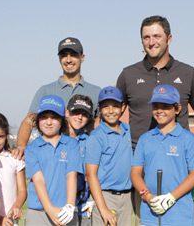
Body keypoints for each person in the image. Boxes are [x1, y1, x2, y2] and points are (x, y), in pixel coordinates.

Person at [116, 15, 194, 150]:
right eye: (146, 37)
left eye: (157, 36)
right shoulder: (128, 75)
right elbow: (112, 112)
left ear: (169, 39)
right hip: (139, 158)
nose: (151, 42)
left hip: (178, 155)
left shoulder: (187, 73)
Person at [15, 37, 101, 159]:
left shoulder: (96, 91)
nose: (69, 59)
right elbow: (29, 121)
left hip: (84, 158)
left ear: (82, 58)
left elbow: (102, 123)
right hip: (52, 158)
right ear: (59, 59)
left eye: (73, 55)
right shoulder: (46, 90)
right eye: (64, 55)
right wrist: (21, 147)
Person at [131, 84, 194, 226]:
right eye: (155, 106)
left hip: (180, 215)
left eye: (165, 106)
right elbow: (135, 173)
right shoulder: (145, 139)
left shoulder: (187, 138)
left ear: (177, 109)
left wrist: (171, 197)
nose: (159, 111)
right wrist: (147, 196)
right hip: (150, 214)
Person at [24, 95, 81, 226]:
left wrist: (70, 206)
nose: (49, 122)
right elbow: (38, 180)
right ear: (38, 120)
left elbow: (71, 175)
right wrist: (49, 209)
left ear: (62, 120)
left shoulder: (72, 144)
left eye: (54, 117)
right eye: (44, 117)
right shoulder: (31, 149)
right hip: (39, 212)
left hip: (66, 211)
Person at [85, 86, 133, 226]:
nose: (111, 111)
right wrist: (103, 208)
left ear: (123, 107)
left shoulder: (129, 130)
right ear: (99, 107)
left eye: (115, 106)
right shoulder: (96, 137)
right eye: (106, 107)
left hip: (127, 196)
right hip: (104, 196)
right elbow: (91, 174)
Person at [65, 95, 95, 226]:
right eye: (75, 112)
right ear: (67, 112)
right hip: (61, 202)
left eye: (84, 114)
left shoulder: (89, 141)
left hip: (83, 204)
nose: (79, 117)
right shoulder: (56, 139)